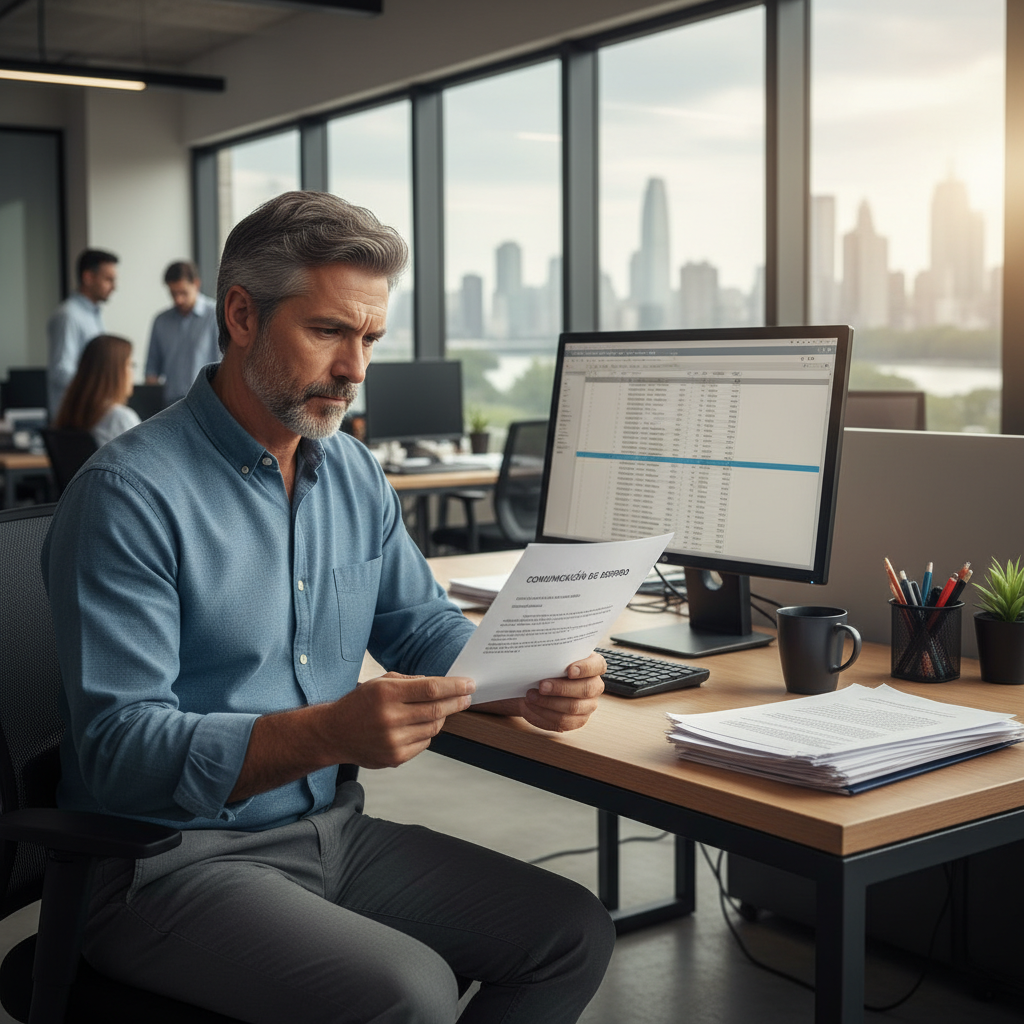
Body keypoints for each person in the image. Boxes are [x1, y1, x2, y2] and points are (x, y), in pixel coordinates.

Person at [42, 191, 615, 1024]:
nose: (356, 368)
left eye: (371, 338)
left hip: (329, 832)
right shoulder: (128, 495)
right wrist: (327, 734)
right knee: (408, 992)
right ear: (241, 314)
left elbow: (419, 626)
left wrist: (520, 677)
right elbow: (120, 752)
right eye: (328, 332)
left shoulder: (349, 469)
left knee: (572, 933)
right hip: (163, 862)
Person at [47, 248, 118, 416]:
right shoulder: (69, 315)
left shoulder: (93, 315)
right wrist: (97, 390)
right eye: (108, 279)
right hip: (73, 418)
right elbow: (61, 371)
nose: (114, 287)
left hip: (89, 413)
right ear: (88, 277)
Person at [145, 260, 221, 404]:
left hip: (207, 402)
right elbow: (152, 370)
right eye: (173, 294)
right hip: (170, 406)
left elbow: (224, 362)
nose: (179, 299)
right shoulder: (161, 321)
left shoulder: (216, 315)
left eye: (183, 293)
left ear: (196, 284)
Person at [52, 334, 141, 447]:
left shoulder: (70, 413)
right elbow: (150, 462)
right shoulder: (120, 418)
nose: (133, 372)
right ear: (114, 372)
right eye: (130, 365)